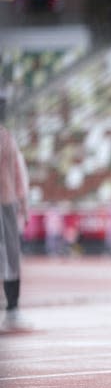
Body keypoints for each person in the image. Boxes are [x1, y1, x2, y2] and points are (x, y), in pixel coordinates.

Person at [1, 98, 30, 331]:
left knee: (11, 257)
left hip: (7, 204)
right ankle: (11, 309)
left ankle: (12, 308)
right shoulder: (6, 137)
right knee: (8, 257)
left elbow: (19, 172)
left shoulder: (7, 137)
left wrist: (23, 203)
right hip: (6, 202)